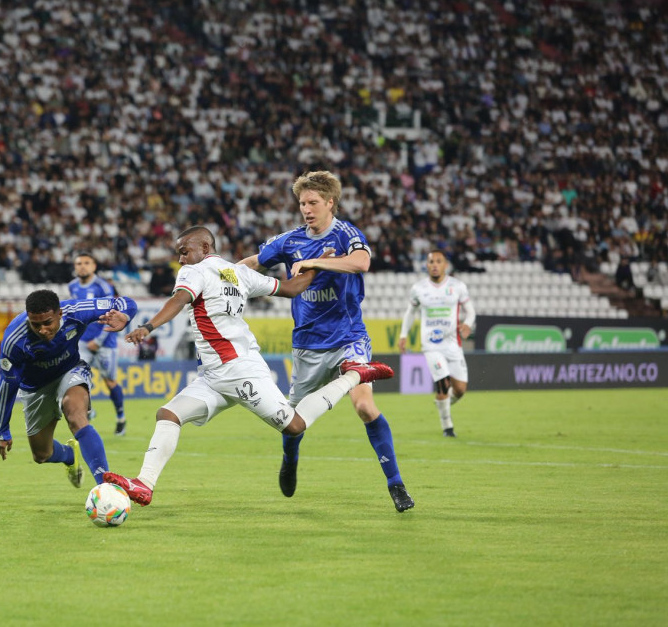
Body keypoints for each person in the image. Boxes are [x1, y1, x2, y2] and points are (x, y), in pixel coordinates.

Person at [103, 226, 394, 507]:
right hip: (214, 375)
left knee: (294, 426)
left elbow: (179, 299)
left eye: (184, 251)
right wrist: (318, 266)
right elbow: (291, 288)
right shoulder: (238, 272)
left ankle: (353, 376)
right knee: (168, 414)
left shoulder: (195, 270)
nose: (180, 259)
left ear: (204, 247)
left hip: (239, 371)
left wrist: (147, 327)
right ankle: (144, 483)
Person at [239, 171, 414, 513]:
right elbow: (253, 263)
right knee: (290, 424)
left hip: (349, 337)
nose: (306, 209)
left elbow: (362, 262)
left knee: (364, 407)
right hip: (308, 345)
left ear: (330, 202)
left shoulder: (347, 233)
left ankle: (396, 485)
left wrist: (314, 262)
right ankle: (290, 461)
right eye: (302, 203)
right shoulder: (289, 241)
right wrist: (221, 276)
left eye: (313, 202)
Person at [0, 288, 138, 487]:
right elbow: (7, 384)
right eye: (36, 324)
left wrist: (125, 315)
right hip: (35, 388)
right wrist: (2, 430)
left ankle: (105, 486)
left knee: (75, 414)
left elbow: (124, 302)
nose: (42, 330)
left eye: (47, 323)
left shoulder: (77, 311)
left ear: (60, 314)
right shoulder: (14, 340)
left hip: (70, 371)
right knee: (41, 454)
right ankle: (69, 455)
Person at [398, 250, 476, 437]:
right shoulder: (419, 288)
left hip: (453, 344)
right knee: (443, 383)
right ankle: (447, 427)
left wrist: (467, 324)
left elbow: (471, 311)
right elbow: (410, 312)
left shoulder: (457, 286)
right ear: (426, 265)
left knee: (460, 390)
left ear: (445, 265)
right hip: (431, 345)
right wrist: (403, 334)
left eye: (438, 261)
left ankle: (442, 403)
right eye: (431, 261)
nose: (434, 265)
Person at [68, 253, 128, 435]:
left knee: (110, 381)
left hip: (105, 343)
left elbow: (111, 314)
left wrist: (99, 340)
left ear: (94, 266)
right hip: (83, 342)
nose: (82, 266)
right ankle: (88, 410)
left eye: (86, 263)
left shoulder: (103, 286)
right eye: (79, 263)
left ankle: (121, 417)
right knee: (77, 379)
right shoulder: (72, 286)